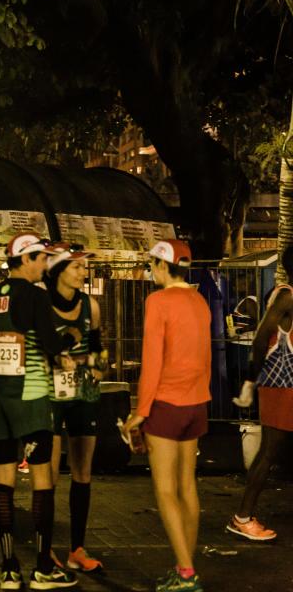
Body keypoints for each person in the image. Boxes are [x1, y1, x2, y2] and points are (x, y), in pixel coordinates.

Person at [0, 232, 80, 590]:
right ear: (26, 259)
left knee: (5, 478)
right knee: (42, 478)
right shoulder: (34, 295)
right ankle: (44, 568)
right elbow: (48, 343)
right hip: (29, 396)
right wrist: (68, 344)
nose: (45, 265)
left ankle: (9, 568)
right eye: (41, 259)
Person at [123, 239, 210, 592]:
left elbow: (153, 362)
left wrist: (139, 413)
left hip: (166, 405)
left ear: (162, 266)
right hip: (196, 405)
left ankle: (187, 574)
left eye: (151, 265)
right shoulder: (200, 301)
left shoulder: (158, 302)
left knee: (165, 490)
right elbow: (204, 357)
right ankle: (184, 567)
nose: (150, 272)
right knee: (188, 487)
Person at [226, 245, 293, 542]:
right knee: (268, 453)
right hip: (281, 385)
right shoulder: (287, 295)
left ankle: (242, 516)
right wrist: (250, 381)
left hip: (285, 385)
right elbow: (262, 336)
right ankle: (242, 517)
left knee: (271, 452)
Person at [44, 244, 105, 572]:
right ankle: (47, 549)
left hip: (83, 393)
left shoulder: (90, 306)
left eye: (84, 267)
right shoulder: (41, 305)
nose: (84, 272)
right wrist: (54, 362)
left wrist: (96, 368)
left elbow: (98, 347)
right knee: (49, 476)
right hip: (50, 396)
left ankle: (77, 549)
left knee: (83, 473)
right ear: (57, 271)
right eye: (77, 267)